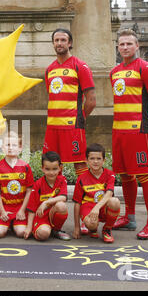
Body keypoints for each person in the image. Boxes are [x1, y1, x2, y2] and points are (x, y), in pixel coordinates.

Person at [110, 29, 148, 240]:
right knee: (125, 174)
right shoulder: (114, 72)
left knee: (144, 175)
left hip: (138, 131)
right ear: (118, 47)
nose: (125, 47)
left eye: (129, 44)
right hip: (119, 131)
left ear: (137, 46)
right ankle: (129, 217)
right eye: (121, 44)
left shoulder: (147, 69)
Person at [43, 28, 96, 235]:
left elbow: (91, 100)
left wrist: (79, 119)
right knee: (54, 169)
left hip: (72, 127)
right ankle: (55, 216)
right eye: (56, 40)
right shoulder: (49, 69)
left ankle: (86, 215)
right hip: (52, 128)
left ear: (70, 43)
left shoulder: (80, 66)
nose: (59, 43)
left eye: (63, 40)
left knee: (81, 168)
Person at [72, 143, 121, 243]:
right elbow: (77, 203)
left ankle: (107, 230)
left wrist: (97, 208)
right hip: (88, 207)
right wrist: (77, 227)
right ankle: (92, 229)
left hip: (101, 207)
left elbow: (109, 194)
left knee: (115, 202)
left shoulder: (110, 174)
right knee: (92, 224)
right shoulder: (81, 178)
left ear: (104, 160)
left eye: (99, 158)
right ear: (86, 160)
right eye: (92, 158)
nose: (95, 161)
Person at [0, 131, 34, 238]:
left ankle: (14, 224)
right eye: (7, 145)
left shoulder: (25, 167)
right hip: (4, 207)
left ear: (20, 148)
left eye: (14, 145)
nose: (10, 148)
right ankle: (6, 223)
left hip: (19, 207)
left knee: (21, 233)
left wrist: (22, 210)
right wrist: (2, 211)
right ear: (2, 147)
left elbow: (29, 191)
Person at [24, 151, 70, 241]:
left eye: (54, 169)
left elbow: (63, 197)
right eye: (48, 169)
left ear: (60, 168)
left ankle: (56, 230)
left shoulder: (62, 180)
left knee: (61, 206)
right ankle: (43, 229)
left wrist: (47, 202)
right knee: (43, 234)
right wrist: (29, 227)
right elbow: (31, 209)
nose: (51, 172)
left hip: (52, 214)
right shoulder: (38, 185)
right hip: (41, 217)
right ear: (42, 168)